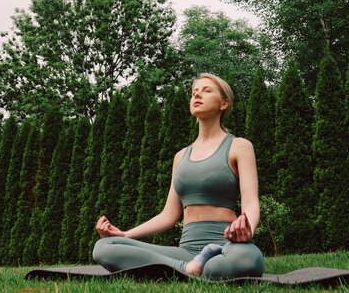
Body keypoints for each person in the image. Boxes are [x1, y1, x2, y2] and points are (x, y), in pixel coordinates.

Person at [93, 73, 264, 279]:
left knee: (247, 259)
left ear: (224, 103)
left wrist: (247, 229)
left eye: (206, 91)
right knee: (104, 247)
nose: (197, 95)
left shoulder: (239, 146)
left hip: (226, 246)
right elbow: (168, 215)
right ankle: (191, 267)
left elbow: (251, 202)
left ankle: (184, 268)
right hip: (186, 251)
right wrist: (125, 234)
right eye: (194, 92)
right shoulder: (181, 156)